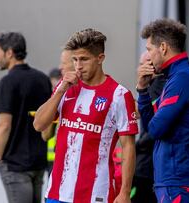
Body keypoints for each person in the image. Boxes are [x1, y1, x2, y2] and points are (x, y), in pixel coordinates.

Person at [34, 28, 138, 203]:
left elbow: (128, 146)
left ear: (100, 58)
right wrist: (60, 91)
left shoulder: (119, 95)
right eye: (74, 60)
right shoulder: (65, 87)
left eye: (84, 59)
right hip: (57, 192)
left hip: (96, 193)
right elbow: (39, 125)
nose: (78, 66)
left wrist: (125, 192)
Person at [136, 18, 189, 203]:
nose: (148, 56)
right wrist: (142, 90)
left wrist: (144, 96)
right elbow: (150, 125)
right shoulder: (175, 78)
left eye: (149, 50)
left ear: (162, 47)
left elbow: (155, 130)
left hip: (178, 180)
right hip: (172, 180)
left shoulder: (183, 79)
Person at [0, 31, 52, 203]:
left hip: (15, 165)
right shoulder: (42, 79)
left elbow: (4, 125)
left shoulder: (8, 82)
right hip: (39, 162)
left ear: (9, 53)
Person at [131, 51, 164, 203]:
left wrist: (136, 147)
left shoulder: (158, 85)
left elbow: (154, 127)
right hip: (148, 166)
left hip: (148, 167)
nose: (143, 68)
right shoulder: (151, 86)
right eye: (141, 64)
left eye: (148, 63)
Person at [44, 50, 75, 170]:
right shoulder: (59, 92)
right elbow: (44, 133)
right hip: (58, 159)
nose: (60, 67)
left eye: (63, 63)